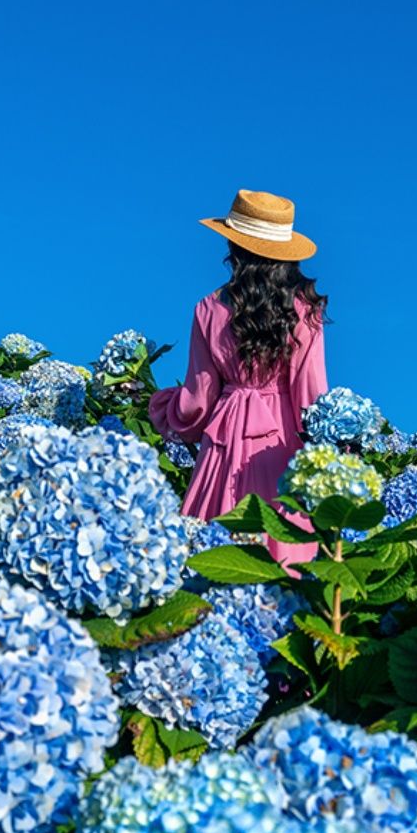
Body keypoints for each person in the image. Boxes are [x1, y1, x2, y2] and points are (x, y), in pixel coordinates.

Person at [149, 189, 327, 567]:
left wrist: (161, 407)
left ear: (234, 246)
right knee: (286, 554)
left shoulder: (209, 308)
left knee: (212, 556)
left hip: (224, 443)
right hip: (282, 443)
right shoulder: (306, 313)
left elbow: (197, 402)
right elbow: (311, 397)